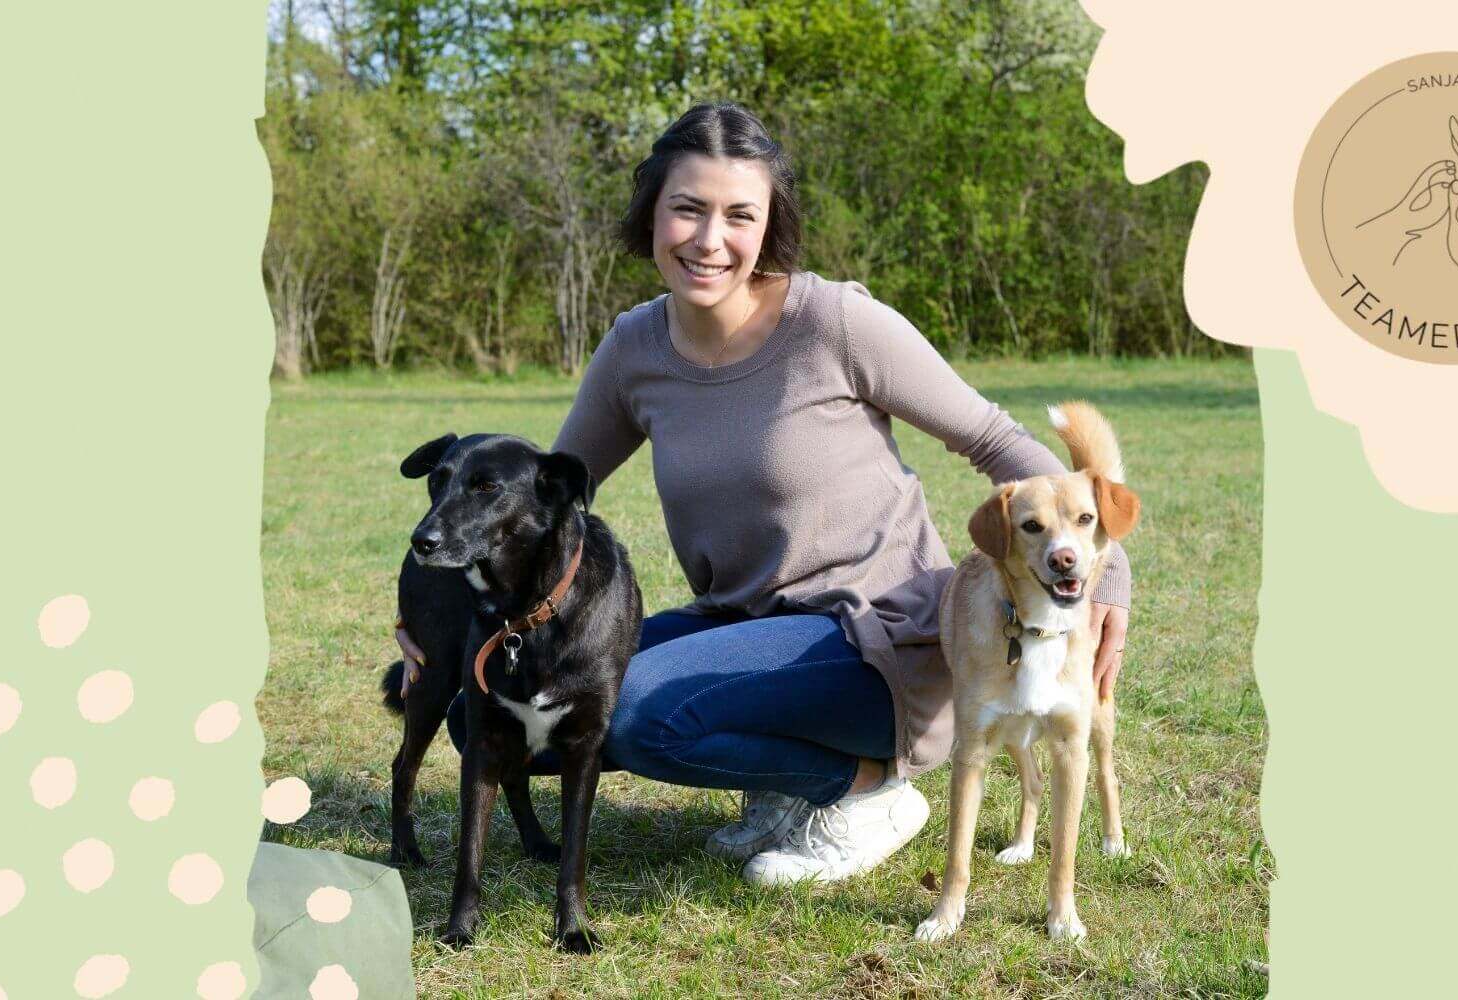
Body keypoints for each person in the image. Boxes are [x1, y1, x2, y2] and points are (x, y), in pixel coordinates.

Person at [410, 101, 1132, 886]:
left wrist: (1109, 587)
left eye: (738, 215)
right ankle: (784, 778)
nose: (710, 239)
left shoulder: (836, 322)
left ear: (769, 225)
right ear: (651, 210)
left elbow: (1000, 444)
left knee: (646, 710)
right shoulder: (635, 349)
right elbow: (535, 504)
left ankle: (866, 794)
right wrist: (437, 615)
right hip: (742, 623)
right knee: (481, 701)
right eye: (687, 208)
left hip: (876, 637)